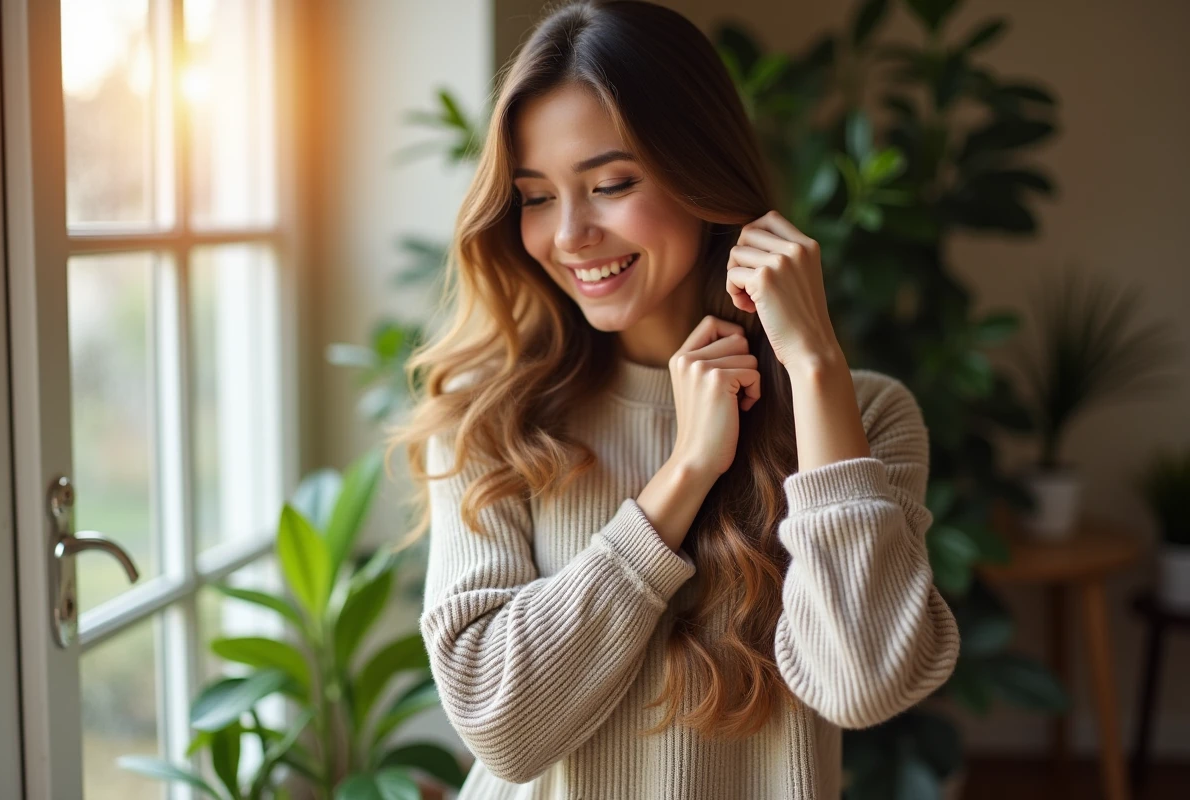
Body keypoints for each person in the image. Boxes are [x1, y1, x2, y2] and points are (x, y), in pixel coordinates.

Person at [384, 1, 960, 797]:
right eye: (537, 196)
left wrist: (817, 366)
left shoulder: (865, 418)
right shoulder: (492, 421)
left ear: (703, 174)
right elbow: (499, 724)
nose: (570, 234)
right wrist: (686, 472)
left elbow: (863, 684)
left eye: (611, 183)